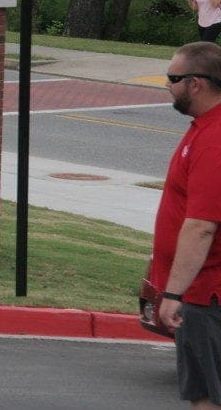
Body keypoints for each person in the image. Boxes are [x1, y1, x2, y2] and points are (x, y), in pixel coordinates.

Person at [154, 41, 221, 408]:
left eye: (173, 78)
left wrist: (174, 294)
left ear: (195, 83)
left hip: (205, 294)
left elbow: (202, 226)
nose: (167, 85)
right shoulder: (203, 128)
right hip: (200, 292)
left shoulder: (214, 140)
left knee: (208, 398)